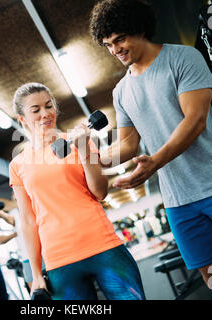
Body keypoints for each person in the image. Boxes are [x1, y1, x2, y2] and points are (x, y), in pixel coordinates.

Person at [89, 0, 212, 300]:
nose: (115, 49)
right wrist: (88, 157)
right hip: (180, 205)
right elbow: (128, 145)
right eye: (108, 44)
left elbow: (194, 121)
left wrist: (155, 161)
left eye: (120, 39)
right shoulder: (121, 92)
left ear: (139, 30)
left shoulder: (183, 58)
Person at [9, 82, 145, 300]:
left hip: (103, 246)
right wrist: (36, 274)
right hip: (59, 261)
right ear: (22, 118)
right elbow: (27, 221)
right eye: (35, 110)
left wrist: (83, 148)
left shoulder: (79, 141)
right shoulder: (18, 165)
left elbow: (100, 192)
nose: (45, 114)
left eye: (48, 106)